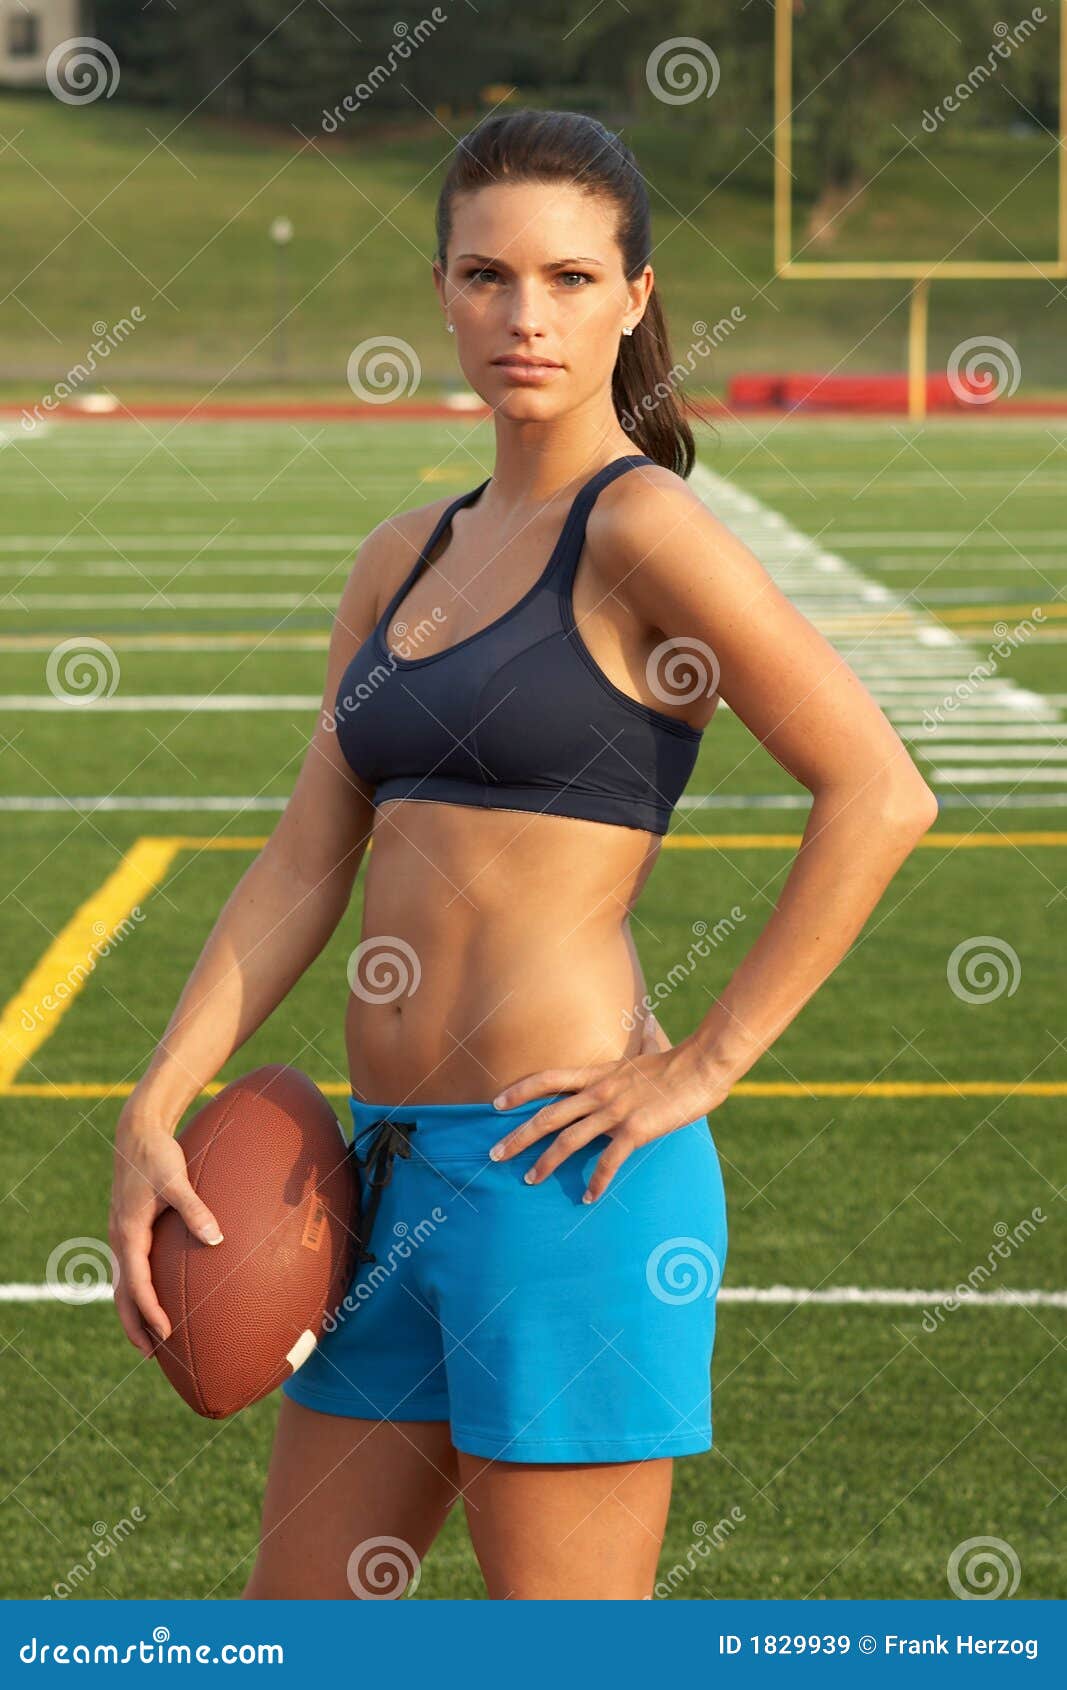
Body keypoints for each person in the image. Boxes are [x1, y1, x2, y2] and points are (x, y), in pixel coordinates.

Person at [109, 108, 938, 1601]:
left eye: (567, 278)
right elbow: (306, 860)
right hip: (383, 1181)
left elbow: (879, 791)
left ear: (633, 297)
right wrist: (158, 1096)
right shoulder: (399, 555)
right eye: (489, 276)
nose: (525, 315)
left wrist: (704, 1065)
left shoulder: (644, 530)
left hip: (569, 1186)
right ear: (442, 289)